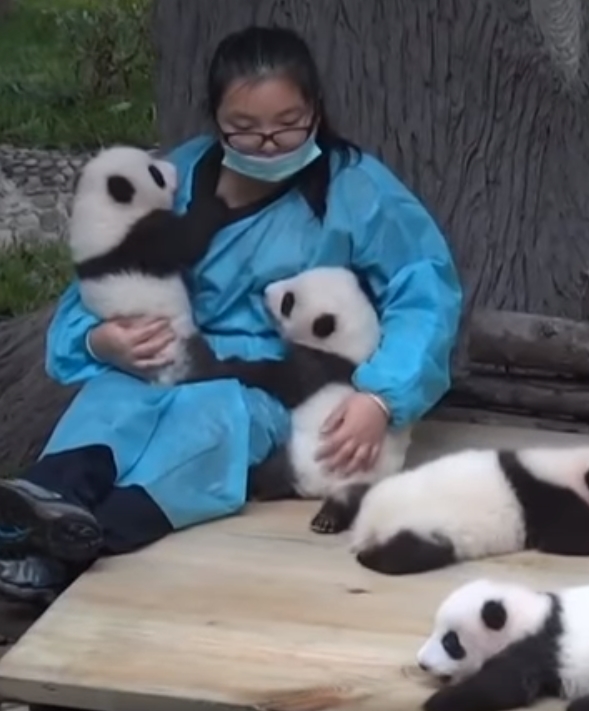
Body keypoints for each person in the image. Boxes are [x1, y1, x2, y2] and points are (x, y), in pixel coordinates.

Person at [0, 25, 464, 606]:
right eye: (244, 128)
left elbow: (425, 292)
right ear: (215, 119)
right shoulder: (174, 178)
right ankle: (39, 503)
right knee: (112, 398)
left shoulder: (356, 190)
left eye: (287, 124)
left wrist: (381, 397)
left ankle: (82, 540)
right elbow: (107, 271)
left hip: (271, 384)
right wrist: (99, 341)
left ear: (316, 110)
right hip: (167, 358)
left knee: (208, 422)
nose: (268, 144)